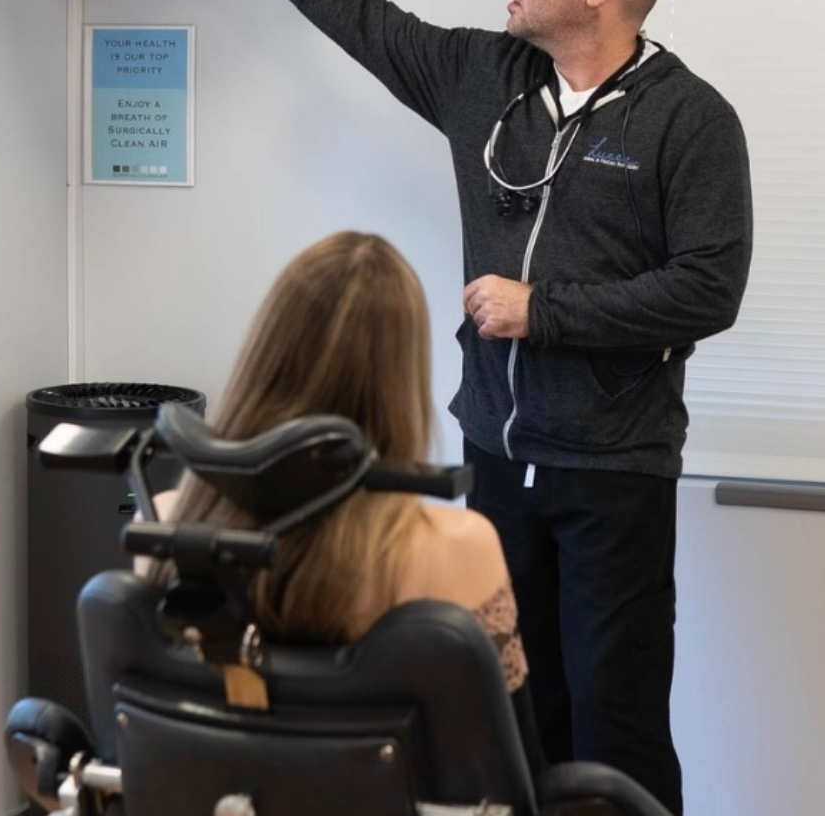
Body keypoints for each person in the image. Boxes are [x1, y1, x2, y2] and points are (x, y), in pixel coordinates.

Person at [163, 0, 754, 815]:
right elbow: (366, 19)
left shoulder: (690, 120)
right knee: (509, 719)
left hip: (613, 473)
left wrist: (546, 311)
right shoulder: (488, 80)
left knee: (615, 734)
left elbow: (709, 289)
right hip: (497, 461)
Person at [145, 230, 544, 771]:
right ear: (400, 382)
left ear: (266, 354)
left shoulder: (169, 527)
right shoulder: (454, 549)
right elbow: (509, 766)